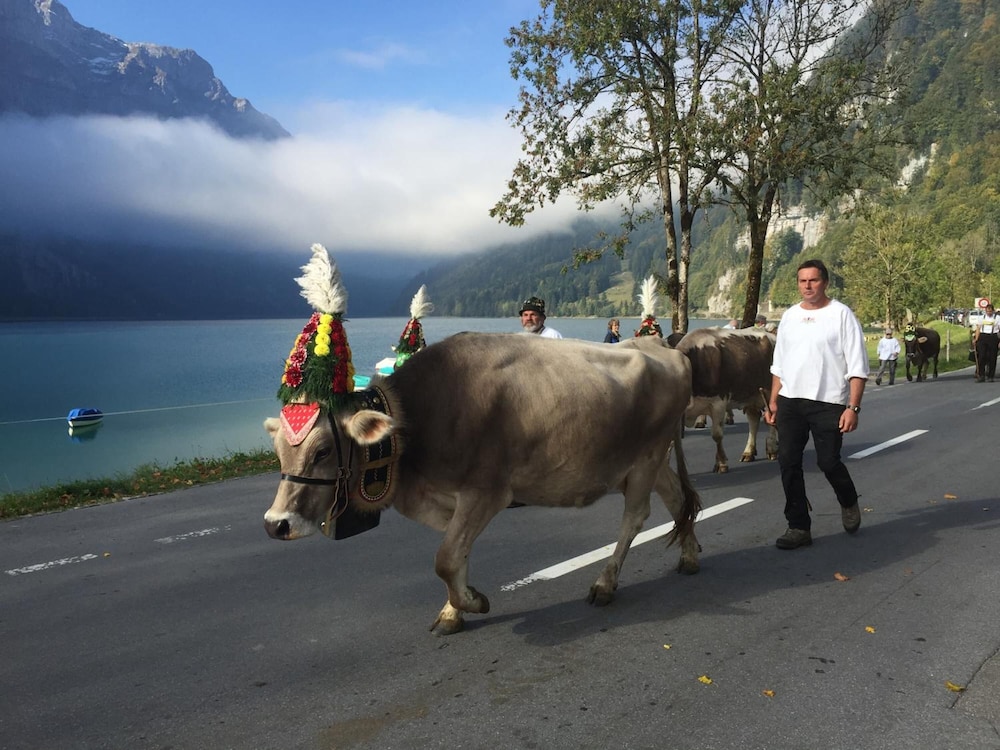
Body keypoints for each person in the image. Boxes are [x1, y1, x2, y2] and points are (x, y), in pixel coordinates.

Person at [765, 259, 869, 550]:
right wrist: (773, 401)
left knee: (828, 462)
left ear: (825, 282)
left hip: (828, 402)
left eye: (813, 280)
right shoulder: (790, 316)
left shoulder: (841, 315)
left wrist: (853, 407)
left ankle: (848, 501)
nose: (807, 286)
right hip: (790, 401)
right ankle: (798, 526)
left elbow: (858, 366)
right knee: (788, 462)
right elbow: (779, 364)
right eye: (803, 281)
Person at [974, 304, 999, 382]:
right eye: (987, 311)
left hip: (993, 337)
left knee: (992, 357)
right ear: (985, 311)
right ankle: (981, 375)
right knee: (981, 356)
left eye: (990, 311)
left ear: (993, 311)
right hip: (983, 337)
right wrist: (976, 339)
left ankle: (991, 376)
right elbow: (978, 329)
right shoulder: (982, 318)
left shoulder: (997, 318)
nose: (989, 313)